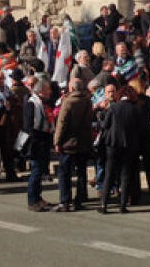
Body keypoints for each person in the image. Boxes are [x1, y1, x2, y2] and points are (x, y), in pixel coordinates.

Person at [99, 86, 148, 214]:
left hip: (113, 143)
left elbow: (105, 125)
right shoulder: (136, 109)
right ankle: (123, 204)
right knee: (125, 174)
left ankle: (104, 204)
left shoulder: (113, 107)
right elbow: (141, 128)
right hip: (130, 145)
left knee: (109, 173)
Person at [53, 79, 93, 212]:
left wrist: (57, 141)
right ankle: (80, 199)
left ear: (71, 88)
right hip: (83, 141)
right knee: (81, 172)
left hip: (68, 142)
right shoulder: (87, 101)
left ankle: (65, 200)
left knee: (64, 172)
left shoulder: (68, 102)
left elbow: (62, 123)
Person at [23, 78, 54, 211]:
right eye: (47, 90)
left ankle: (38, 197)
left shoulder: (43, 103)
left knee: (40, 171)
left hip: (44, 139)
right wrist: (33, 140)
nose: (50, 92)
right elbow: (28, 125)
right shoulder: (32, 103)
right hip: (36, 141)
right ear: (41, 91)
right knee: (35, 171)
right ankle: (32, 200)